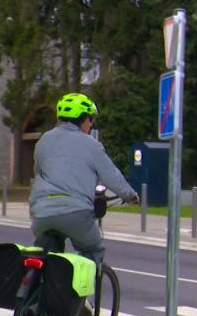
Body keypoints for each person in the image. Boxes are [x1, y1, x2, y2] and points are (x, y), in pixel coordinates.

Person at [29, 92, 139, 268]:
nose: (91, 123)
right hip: (75, 213)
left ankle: (38, 289)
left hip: (41, 214)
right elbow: (111, 175)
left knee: (46, 255)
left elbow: (38, 172)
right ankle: (81, 293)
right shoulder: (91, 145)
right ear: (83, 119)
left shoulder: (44, 140)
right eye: (90, 119)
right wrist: (130, 195)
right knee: (92, 249)